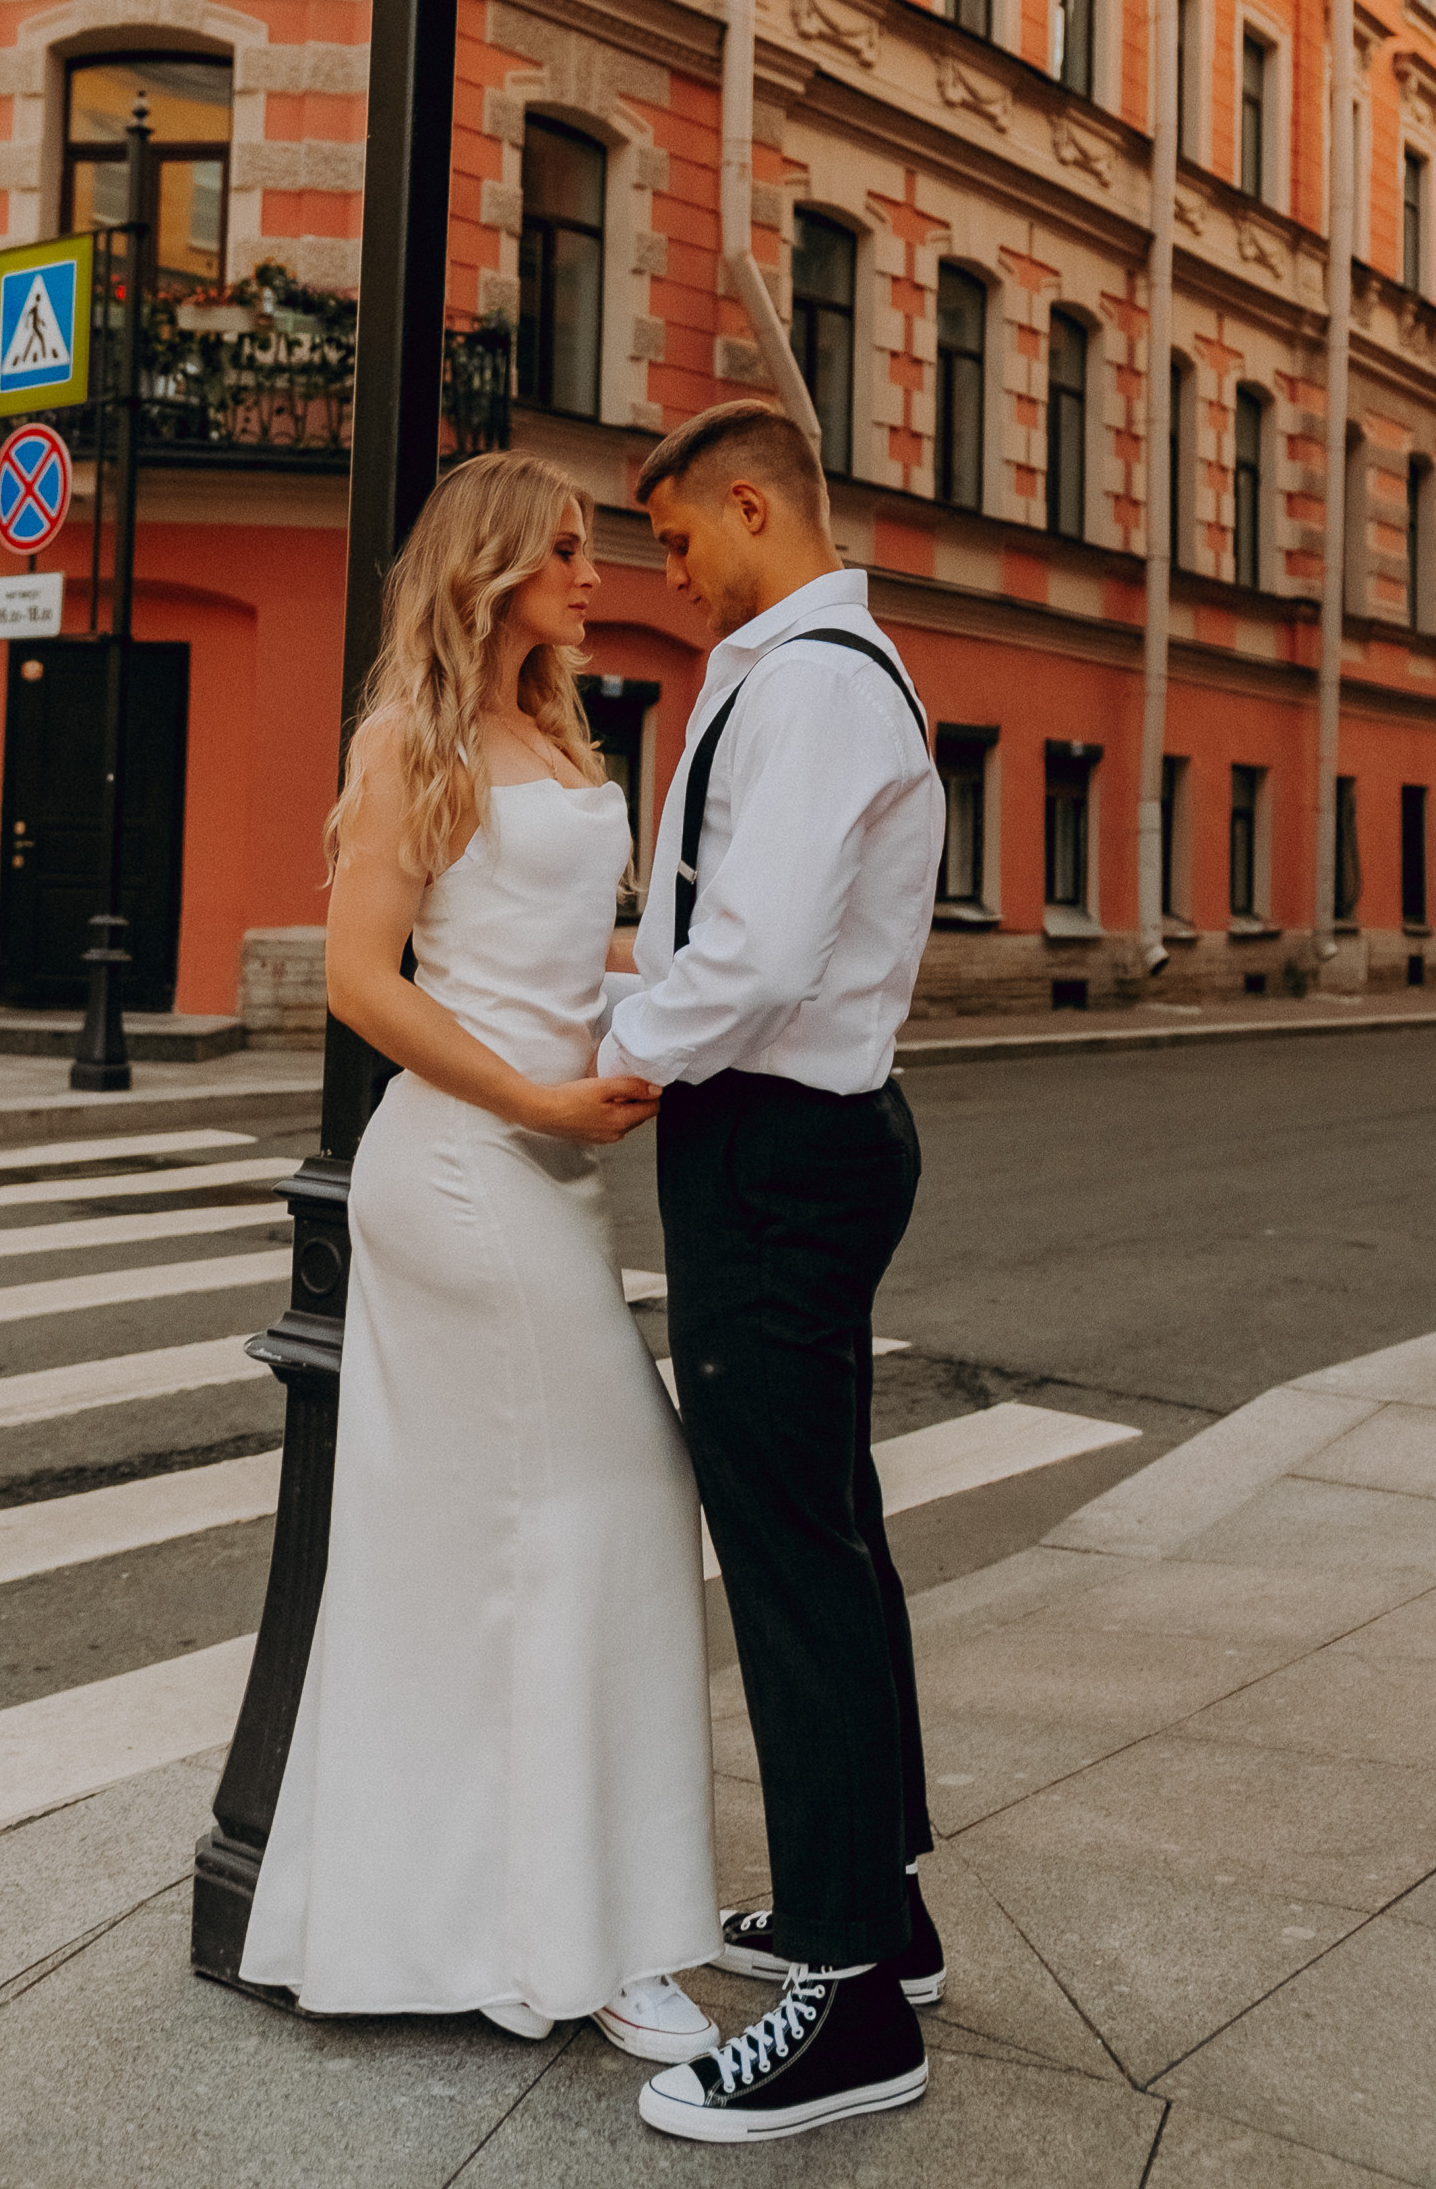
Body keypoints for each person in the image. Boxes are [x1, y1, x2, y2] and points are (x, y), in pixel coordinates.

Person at [240, 451, 724, 2064]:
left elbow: (559, 939)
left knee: (498, 1554)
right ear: (492, 569)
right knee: (622, 1502)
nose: (599, 574)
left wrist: (744, 958)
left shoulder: (562, 735)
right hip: (458, 1169)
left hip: (548, 1165)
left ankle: (503, 1917)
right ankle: (594, 1938)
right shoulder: (411, 739)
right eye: (570, 552)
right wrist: (535, 1099)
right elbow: (364, 983)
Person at [596, 399, 947, 2146]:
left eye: (678, 542)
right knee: (833, 1527)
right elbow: (728, 925)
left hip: (772, 1145)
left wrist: (617, 1049)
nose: (670, 574)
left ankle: (850, 1996)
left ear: (753, 504)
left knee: (793, 1554)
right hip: (808, 1137)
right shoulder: (821, 666)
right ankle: (882, 1906)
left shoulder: (808, 683)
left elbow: (752, 952)